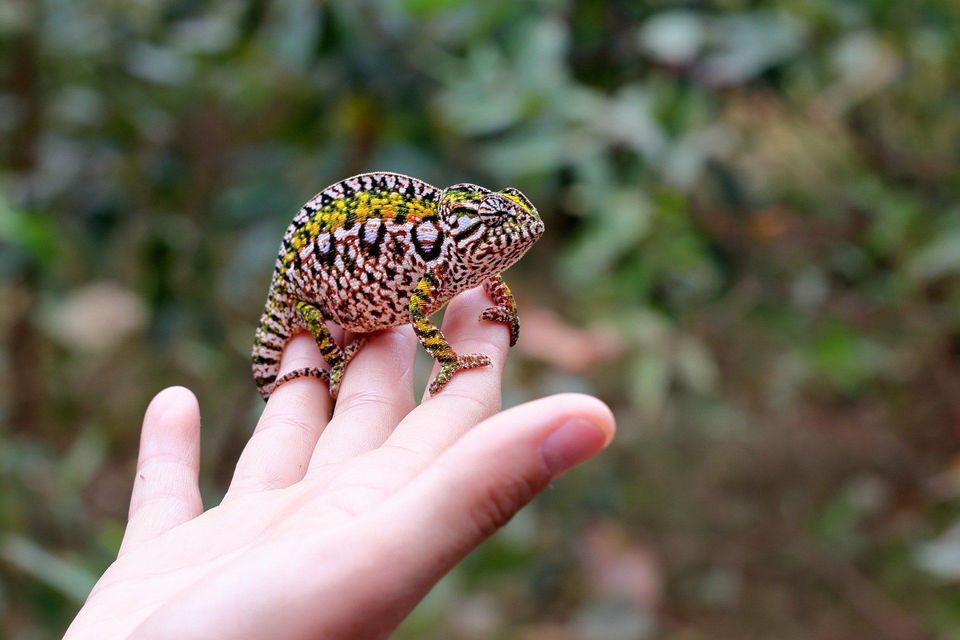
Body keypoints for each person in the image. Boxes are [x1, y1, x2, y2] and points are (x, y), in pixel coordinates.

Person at [65, 288, 615, 639]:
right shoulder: (430, 263)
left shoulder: (454, 259)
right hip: (312, 292)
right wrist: (439, 359)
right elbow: (418, 310)